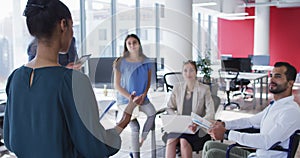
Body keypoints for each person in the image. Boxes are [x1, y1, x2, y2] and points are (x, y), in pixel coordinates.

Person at [4, 0, 142, 157]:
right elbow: (95, 146)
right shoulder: (73, 81)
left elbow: (10, 140)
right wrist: (125, 119)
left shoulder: (14, 78)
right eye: (72, 26)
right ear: (63, 25)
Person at [203, 62, 300, 158]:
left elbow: (267, 141)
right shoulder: (276, 105)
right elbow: (250, 121)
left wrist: (227, 134)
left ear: (290, 83)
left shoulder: (290, 111)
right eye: (272, 75)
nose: (272, 79)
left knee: (213, 154)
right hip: (257, 154)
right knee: (209, 145)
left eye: (278, 76)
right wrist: (224, 124)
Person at [113, 34, 156, 158]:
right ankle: (136, 156)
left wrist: (143, 95)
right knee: (135, 127)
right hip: (126, 100)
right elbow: (117, 86)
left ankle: (141, 142)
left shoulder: (146, 61)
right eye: (129, 43)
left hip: (142, 98)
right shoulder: (120, 62)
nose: (132, 45)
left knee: (152, 113)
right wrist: (131, 98)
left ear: (139, 44)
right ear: (126, 46)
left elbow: (148, 82)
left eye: (134, 42)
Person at [165, 60, 215, 158]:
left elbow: (211, 113)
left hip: (197, 128)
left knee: (183, 141)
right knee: (170, 141)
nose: (188, 74)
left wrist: (198, 123)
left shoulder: (204, 89)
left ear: (196, 72)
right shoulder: (177, 88)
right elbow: (169, 107)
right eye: (185, 70)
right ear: (182, 73)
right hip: (180, 126)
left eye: (191, 70)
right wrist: (176, 118)